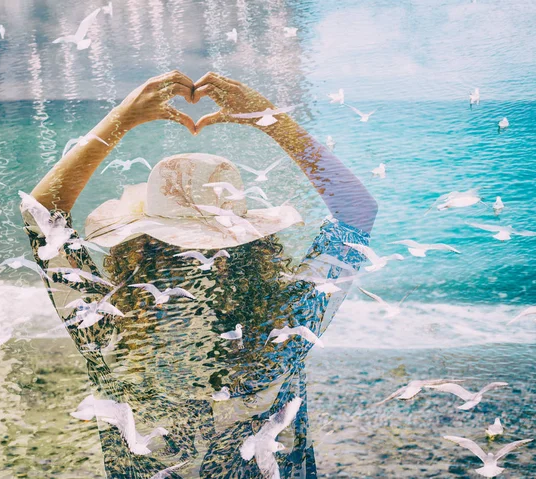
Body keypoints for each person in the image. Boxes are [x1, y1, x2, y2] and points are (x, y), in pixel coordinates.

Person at [21, 71, 377, 478]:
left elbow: (40, 215)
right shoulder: (286, 321)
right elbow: (356, 213)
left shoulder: (107, 329)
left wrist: (122, 118)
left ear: (136, 246)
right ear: (251, 246)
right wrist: (270, 118)